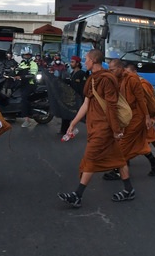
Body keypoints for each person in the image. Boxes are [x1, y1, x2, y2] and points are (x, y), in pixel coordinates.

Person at [57, 49, 135, 208]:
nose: (85, 62)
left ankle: (77, 195)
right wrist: (73, 123)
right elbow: (86, 104)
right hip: (95, 126)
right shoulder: (93, 79)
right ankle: (129, 189)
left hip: (104, 127)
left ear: (93, 60)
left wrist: (115, 129)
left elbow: (112, 106)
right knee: (119, 159)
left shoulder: (107, 79)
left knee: (90, 158)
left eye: (86, 59)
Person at [105, 59, 155, 178]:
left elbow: (141, 100)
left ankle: (117, 170)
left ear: (120, 68)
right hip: (125, 116)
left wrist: (147, 117)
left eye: (112, 70)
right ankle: (154, 162)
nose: (110, 72)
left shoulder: (132, 79)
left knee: (123, 143)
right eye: (109, 70)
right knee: (138, 143)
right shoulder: (116, 79)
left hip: (137, 116)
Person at [125, 63, 155, 160]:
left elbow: (150, 102)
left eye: (128, 73)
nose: (126, 75)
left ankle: (126, 161)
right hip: (135, 115)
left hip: (143, 115)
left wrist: (151, 117)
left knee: (139, 139)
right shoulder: (130, 82)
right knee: (150, 134)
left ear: (135, 72)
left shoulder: (142, 84)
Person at [59, 56, 87, 135]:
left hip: (79, 99)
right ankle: (64, 130)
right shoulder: (72, 73)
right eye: (71, 62)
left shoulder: (82, 74)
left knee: (85, 116)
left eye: (72, 62)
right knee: (66, 114)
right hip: (72, 98)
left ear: (77, 63)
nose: (71, 63)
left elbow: (83, 87)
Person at [16, 46, 38, 128]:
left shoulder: (33, 64)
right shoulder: (21, 63)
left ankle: (27, 120)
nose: (27, 57)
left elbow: (32, 75)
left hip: (30, 84)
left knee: (24, 98)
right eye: (25, 55)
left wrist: (21, 77)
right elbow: (16, 71)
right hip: (21, 83)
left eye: (28, 55)